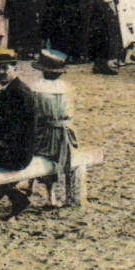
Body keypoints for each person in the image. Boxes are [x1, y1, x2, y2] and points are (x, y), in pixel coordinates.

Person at [0, 48, 38, 215]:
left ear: (15, 68)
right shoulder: (14, 89)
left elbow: (12, 131)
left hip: (16, 154)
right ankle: (14, 196)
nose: (0, 72)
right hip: (17, 149)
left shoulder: (17, 94)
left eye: (5, 68)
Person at [30, 49, 78, 208]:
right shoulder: (68, 88)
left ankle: (42, 191)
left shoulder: (37, 88)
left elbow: (34, 113)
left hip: (45, 133)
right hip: (65, 133)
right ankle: (67, 195)